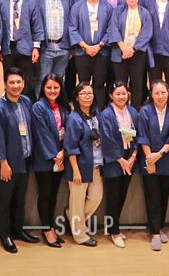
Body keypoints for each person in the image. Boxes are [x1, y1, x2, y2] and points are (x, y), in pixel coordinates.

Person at [0, 67, 37, 253]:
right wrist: (3, 162)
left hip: (24, 160)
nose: (15, 86)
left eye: (18, 82)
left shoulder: (26, 101)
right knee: (4, 201)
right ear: (5, 85)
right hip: (7, 164)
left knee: (19, 199)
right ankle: (5, 235)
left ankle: (18, 230)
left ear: (23, 83)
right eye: (12, 82)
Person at [136, 79, 169, 251]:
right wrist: (150, 159)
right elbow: (142, 136)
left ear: (168, 93)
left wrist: (159, 154)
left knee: (163, 196)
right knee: (152, 196)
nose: (160, 96)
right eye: (157, 93)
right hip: (149, 161)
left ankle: (160, 227)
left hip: (166, 159)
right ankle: (154, 232)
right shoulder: (144, 112)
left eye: (163, 92)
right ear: (151, 95)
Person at [31, 74, 69, 249]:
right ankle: (46, 229)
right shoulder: (38, 107)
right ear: (43, 88)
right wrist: (55, 155)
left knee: (54, 194)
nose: (52, 91)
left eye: (56, 87)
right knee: (45, 194)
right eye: (49, 87)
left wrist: (63, 152)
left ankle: (52, 226)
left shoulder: (63, 107)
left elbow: (67, 131)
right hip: (45, 159)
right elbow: (42, 134)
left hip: (60, 157)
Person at [99, 82, 139, 248]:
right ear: (111, 96)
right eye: (118, 94)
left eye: (124, 93)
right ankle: (113, 231)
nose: (121, 97)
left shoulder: (133, 112)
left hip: (130, 159)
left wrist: (133, 156)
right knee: (113, 197)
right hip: (114, 162)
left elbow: (137, 135)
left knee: (122, 195)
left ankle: (115, 227)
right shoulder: (106, 114)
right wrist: (120, 159)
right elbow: (106, 139)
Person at [64, 82, 103, 246]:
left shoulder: (96, 114)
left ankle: (72, 217)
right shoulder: (74, 118)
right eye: (83, 94)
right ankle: (79, 235)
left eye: (90, 93)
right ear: (77, 97)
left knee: (96, 197)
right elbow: (70, 146)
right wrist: (75, 170)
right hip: (79, 166)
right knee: (77, 202)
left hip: (95, 164)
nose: (87, 96)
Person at [0, 0, 46, 100]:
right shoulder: (2, 3)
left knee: (27, 81)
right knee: (9, 79)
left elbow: (37, 26)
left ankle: (26, 106)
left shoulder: (31, 3)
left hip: (26, 47)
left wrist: (36, 47)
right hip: (8, 47)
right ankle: (10, 105)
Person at [69, 0, 113, 107]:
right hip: (82, 52)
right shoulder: (77, 7)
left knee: (100, 83)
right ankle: (83, 111)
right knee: (83, 83)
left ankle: (98, 111)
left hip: (101, 52)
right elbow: (72, 28)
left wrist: (99, 45)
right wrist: (86, 46)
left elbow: (111, 29)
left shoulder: (108, 7)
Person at [107, 0, 153, 109]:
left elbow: (146, 33)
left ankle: (135, 110)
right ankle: (120, 109)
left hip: (137, 54)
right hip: (120, 53)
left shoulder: (144, 13)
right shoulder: (118, 11)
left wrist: (132, 49)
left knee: (137, 83)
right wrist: (123, 48)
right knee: (120, 84)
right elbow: (113, 29)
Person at [38, 0, 74, 97]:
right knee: (43, 80)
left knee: (59, 80)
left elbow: (70, 22)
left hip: (63, 47)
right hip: (45, 47)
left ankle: (57, 106)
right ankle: (41, 106)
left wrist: (71, 46)